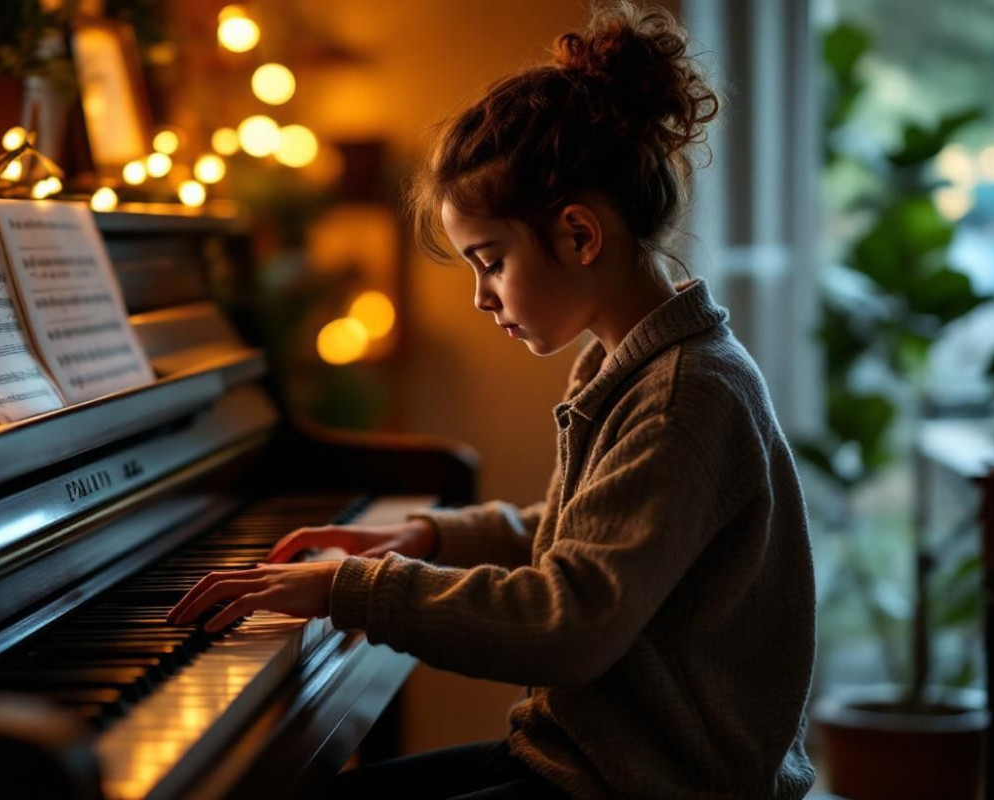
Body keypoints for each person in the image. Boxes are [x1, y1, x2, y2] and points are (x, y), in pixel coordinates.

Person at [166, 2, 817, 797]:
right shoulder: (633, 362)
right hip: (589, 763)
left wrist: (351, 589)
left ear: (580, 236)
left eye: (490, 261)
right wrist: (430, 536)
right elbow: (589, 539)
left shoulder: (685, 396)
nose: (482, 297)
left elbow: (566, 623)